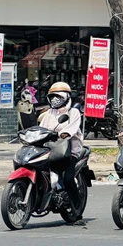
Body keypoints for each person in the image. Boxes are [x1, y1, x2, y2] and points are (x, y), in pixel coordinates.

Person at [39, 82, 84, 218]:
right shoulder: (49, 113)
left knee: (68, 178)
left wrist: (64, 134)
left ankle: (77, 210)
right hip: (51, 149)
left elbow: (72, 129)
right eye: (52, 96)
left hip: (70, 151)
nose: (55, 99)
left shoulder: (74, 112)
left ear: (66, 97)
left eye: (58, 96)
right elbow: (41, 128)